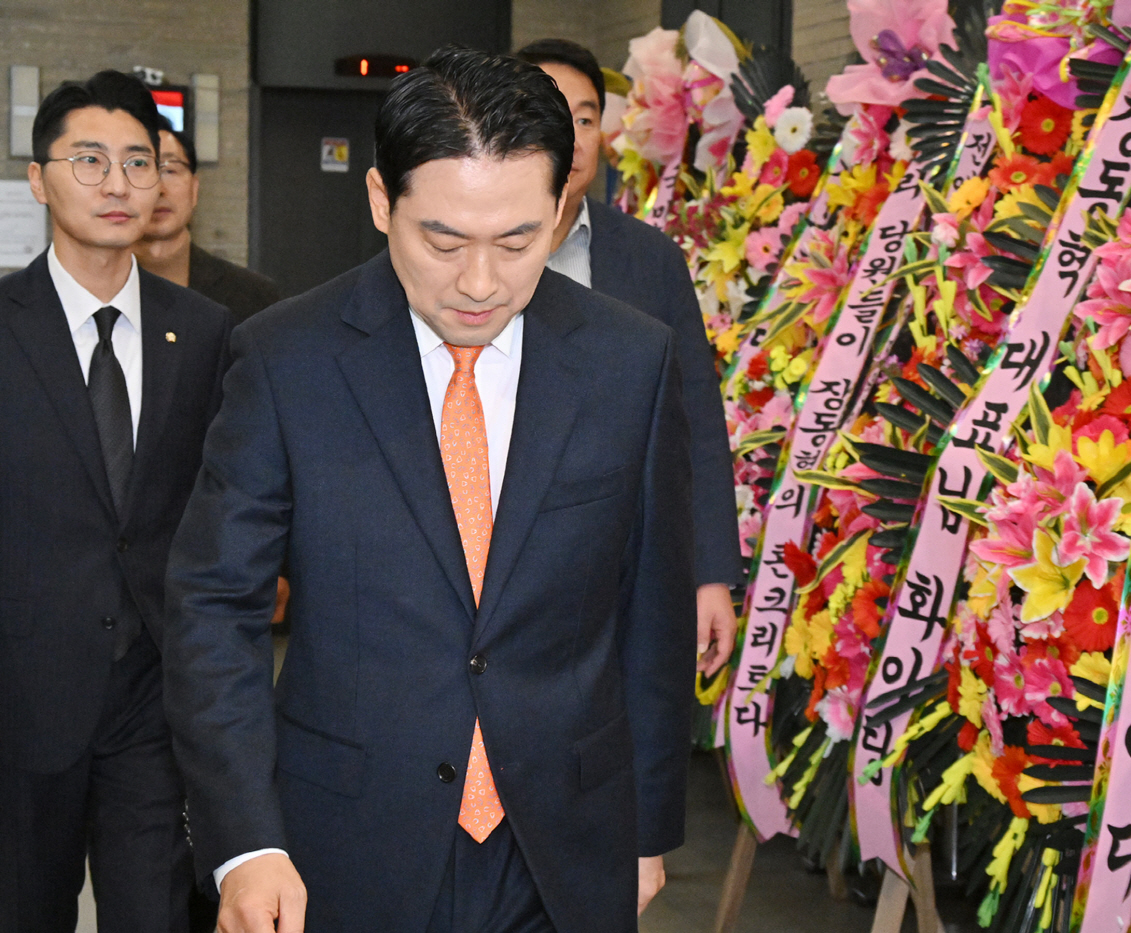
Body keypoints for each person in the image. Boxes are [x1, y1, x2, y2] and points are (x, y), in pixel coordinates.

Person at [162, 48, 695, 933]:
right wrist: (246, 841)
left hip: (565, 841)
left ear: (561, 204)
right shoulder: (288, 360)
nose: (480, 283)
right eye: (443, 242)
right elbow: (214, 607)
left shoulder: (629, 359)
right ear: (382, 202)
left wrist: (646, 828)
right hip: (346, 839)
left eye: (518, 241)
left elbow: (653, 610)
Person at [0, 70, 232, 932]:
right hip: (22, 698)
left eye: (141, 162)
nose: (119, 183)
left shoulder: (203, 331)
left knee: (155, 912)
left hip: (153, 695)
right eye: (90, 160)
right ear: (39, 179)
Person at [517, 39, 742, 677]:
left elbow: (695, 421)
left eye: (585, 118)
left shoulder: (652, 261)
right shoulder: (464, 257)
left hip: (625, 573)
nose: (570, 137)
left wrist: (710, 574)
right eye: (546, 114)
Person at [134, 119, 281, 323]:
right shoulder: (94, 289)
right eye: (140, 168)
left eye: (170, 171)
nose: (159, 189)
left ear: (194, 189)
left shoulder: (254, 295)